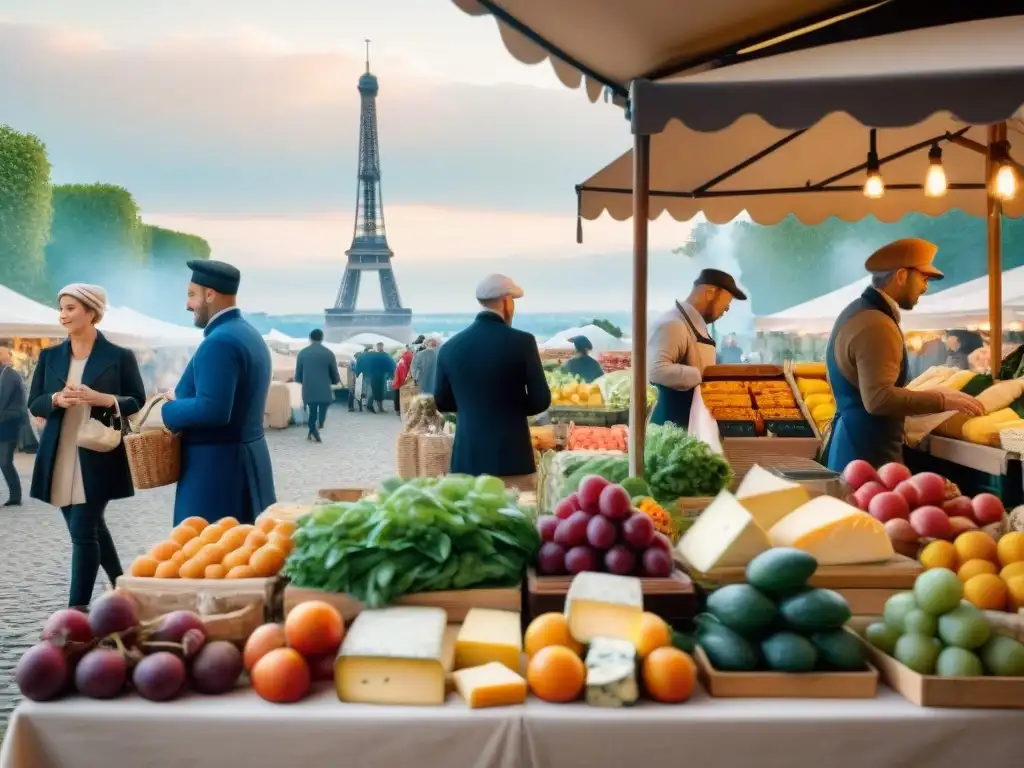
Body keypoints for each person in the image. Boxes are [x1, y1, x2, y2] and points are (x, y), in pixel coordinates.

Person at [28, 285, 146, 608]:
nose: (62, 315)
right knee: (92, 528)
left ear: (91, 312)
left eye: (70, 308)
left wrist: (102, 399)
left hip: (99, 453)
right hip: (59, 453)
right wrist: (55, 399)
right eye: (61, 308)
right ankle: (123, 587)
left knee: (83, 531)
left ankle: (75, 613)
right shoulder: (49, 356)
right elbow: (34, 403)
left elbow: (137, 401)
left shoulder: (120, 356)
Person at [823, 239, 984, 471]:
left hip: (857, 448)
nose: (925, 287)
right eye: (924, 278)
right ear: (901, 276)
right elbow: (879, 399)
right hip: (867, 456)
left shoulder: (861, 312)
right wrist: (941, 399)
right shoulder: (875, 323)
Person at [161, 260, 276, 526]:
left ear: (210, 294)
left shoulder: (219, 342)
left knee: (204, 557)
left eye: (192, 295)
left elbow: (213, 410)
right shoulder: (249, 334)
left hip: (215, 470)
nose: (187, 304)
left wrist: (166, 409)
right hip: (247, 459)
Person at [433, 274, 550, 488]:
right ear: (506, 301)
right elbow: (540, 400)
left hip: (465, 462)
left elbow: (441, 401)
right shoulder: (523, 342)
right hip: (512, 459)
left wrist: (474, 405)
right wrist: (509, 405)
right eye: (512, 302)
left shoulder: (450, 347)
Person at [648, 268, 746, 427]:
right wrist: (704, 375)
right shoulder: (673, 324)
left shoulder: (695, 325)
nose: (726, 310)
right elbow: (655, 370)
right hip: (671, 428)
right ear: (710, 293)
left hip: (693, 424)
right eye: (726, 303)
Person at [294, 328, 340, 442]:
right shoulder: (329, 353)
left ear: (310, 338)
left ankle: (312, 429)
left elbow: (298, 373)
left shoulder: (303, 353)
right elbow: (334, 372)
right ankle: (319, 424)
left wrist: (300, 380)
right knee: (323, 407)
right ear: (322, 338)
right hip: (324, 387)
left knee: (312, 410)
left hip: (309, 387)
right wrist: (335, 381)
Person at [0, 346, 27, 507]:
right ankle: (15, 495)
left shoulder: (11, 376)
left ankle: (15, 496)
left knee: (5, 461)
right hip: (4, 423)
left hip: (8, 425)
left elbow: (11, 404)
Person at [355, 342, 395, 413]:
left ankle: (379, 407)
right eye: (379, 346)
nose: (380, 348)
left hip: (379, 376)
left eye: (381, 346)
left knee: (380, 392)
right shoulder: (378, 355)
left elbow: (390, 364)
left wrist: (391, 375)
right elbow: (391, 364)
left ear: (382, 347)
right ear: (377, 347)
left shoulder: (381, 355)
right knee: (374, 392)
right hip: (375, 376)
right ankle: (371, 406)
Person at [391, 345, 414, 417]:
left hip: (398, 376)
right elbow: (411, 367)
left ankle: (397, 409)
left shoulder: (403, 356)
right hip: (403, 377)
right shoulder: (410, 356)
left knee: (397, 393)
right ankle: (403, 409)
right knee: (404, 394)